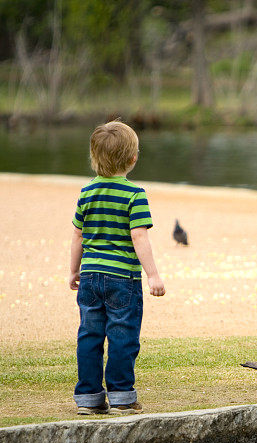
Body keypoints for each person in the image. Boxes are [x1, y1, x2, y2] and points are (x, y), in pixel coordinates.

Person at [68, 120, 166, 415]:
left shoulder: (86, 192)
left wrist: (74, 270)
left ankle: (88, 398)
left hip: (89, 277)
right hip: (122, 278)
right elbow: (139, 236)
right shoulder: (135, 196)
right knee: (122, 336)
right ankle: (122, 396)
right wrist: (153, 274)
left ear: (93, 157)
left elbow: (78, 235)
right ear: (133, 158)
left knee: (90, 335)